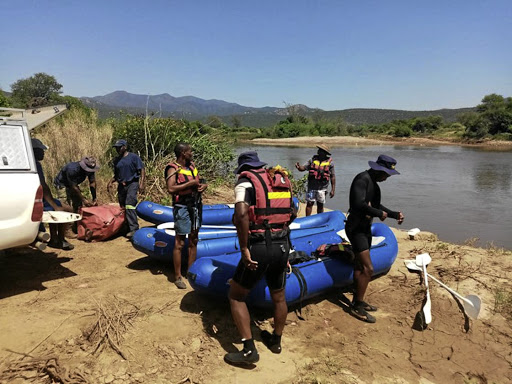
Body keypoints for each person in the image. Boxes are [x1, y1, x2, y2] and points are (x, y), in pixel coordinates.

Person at [224, 151, 296, 366]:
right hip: (282, 244)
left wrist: (245, 247)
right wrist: (285, 249)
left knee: (236, 296)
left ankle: (248, 350)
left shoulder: (245, 183)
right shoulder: (279, 180)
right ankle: (276, 341)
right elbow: (291, 214)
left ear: (244, 167)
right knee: (279, 296)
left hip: (259, 246)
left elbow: (241, 215)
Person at [345, 154, 404, 323]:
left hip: (365, 228)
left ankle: (358, 300)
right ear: (378, 170)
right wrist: (379, 214)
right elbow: (357, 204)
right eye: (386, 174)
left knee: (359, 265)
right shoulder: (361, 180)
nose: (387, 177)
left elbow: (377, 206)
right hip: (355, 229)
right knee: (368, 268)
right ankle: (357, 306)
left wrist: (394, 214)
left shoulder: (375, 186)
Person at [165, 143, 207, 289]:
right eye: (190, 151)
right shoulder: (173, 168)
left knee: (194, 239)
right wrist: (191, 183)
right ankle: (177, 277)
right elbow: (171, 188)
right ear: (183, 153)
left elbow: (200, 181)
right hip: (182, 207)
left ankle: (190, 272)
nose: (192, 153)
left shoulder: (192, 166)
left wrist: (202, 186)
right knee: (180, 242)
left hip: (195, 206)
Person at [31, 138, 74, 250]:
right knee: (64, 210)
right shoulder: (36, 165)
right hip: (38, 199)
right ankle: (60, 240)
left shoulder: (33, 164)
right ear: (35, 151)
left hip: (37, 198)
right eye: (41, 150)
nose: (43, 152)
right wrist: (55, 206)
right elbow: (43, 186)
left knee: (60, 208)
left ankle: (55, 239)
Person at [107, 139, 145, 239]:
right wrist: (111, 181)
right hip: (121, 186)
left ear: (125, 147)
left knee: (130, 205)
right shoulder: (116, 161)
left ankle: (134, 229)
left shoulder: (133, 157)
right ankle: (126, 227)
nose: (118, 149)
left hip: (132, 183)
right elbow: (117, 175)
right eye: (116, 148)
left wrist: (141, 184)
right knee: (123, 206)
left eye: (120, 147)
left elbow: (142, 170)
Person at [295, 144, 336, 216]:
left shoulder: (330, 163)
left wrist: (333, 190)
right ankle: (307, 219)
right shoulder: (312, 160)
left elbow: (332, 176)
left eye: (320, 150)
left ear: (324, 153)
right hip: (311, 187)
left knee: (320, 205)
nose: (318, 151)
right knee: (309, 204)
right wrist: (299, 167)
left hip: (322, 188)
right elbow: (303, 168)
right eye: (319, 150)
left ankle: (319, 219)